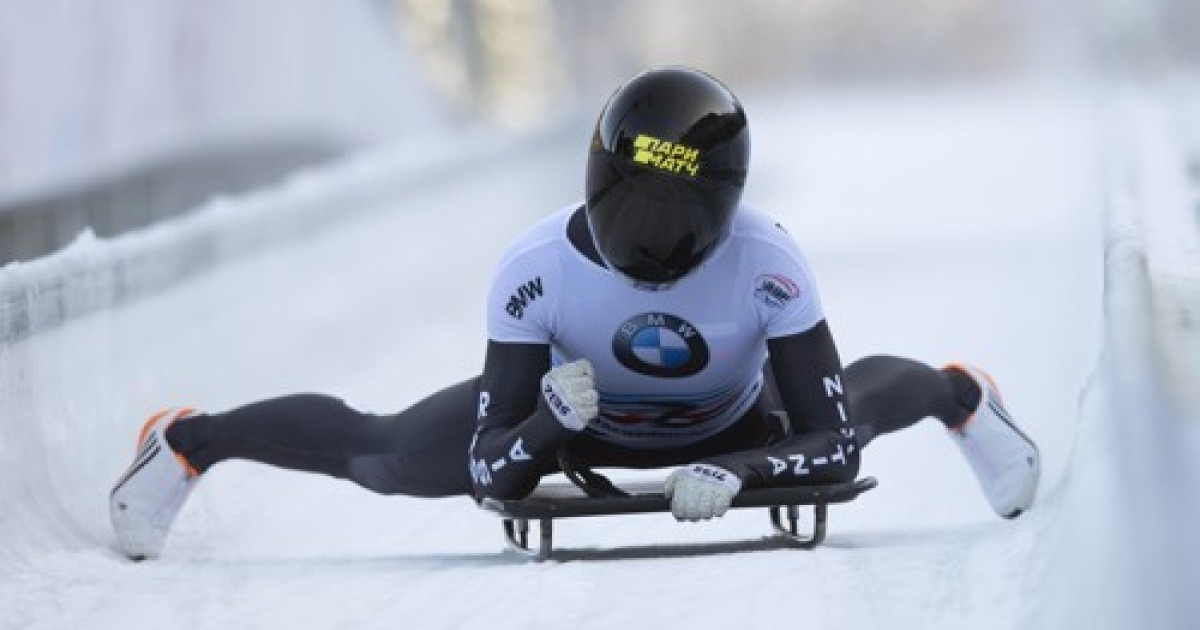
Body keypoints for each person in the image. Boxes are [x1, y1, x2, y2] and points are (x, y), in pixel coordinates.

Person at [109, 66, 1041, 561]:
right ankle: (192, 439)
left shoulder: (770, 261)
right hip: (575, 430)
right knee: (385, 454)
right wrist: (550, 420)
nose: (653, 243)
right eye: (635, 208)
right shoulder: (532, 270)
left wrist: (739, 463)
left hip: (735, 422)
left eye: (682, 219)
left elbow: (832, 441)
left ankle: (961, 395)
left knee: (875, 408)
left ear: (725, 207)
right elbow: (488, 466)